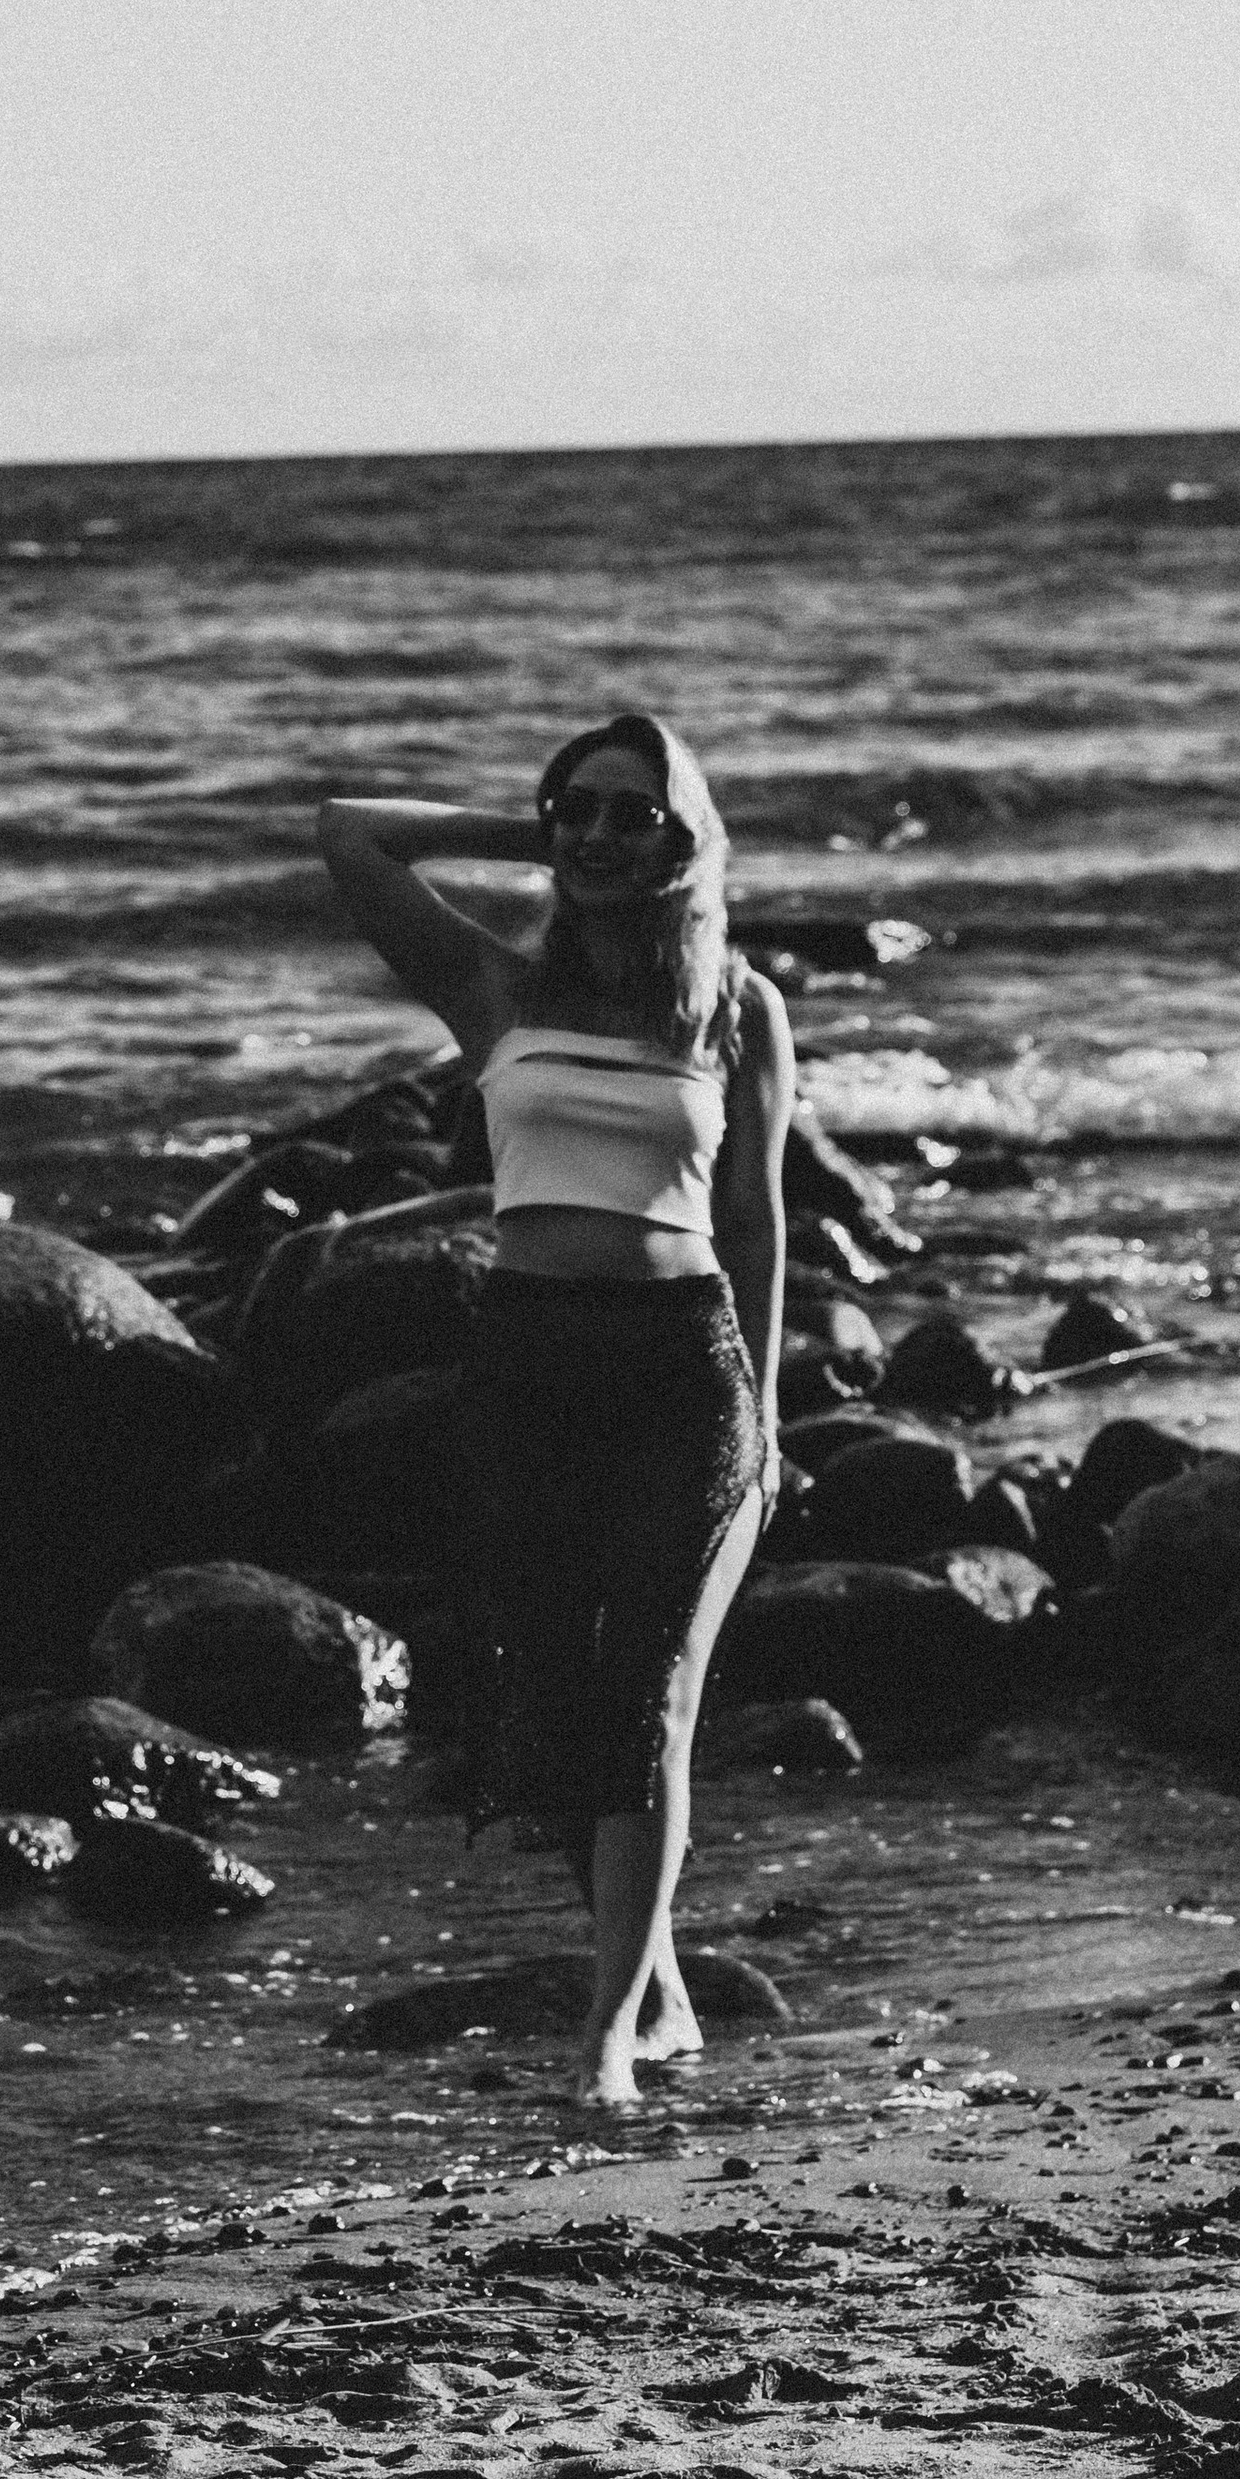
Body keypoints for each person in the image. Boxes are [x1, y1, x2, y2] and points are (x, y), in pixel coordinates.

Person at [317, 713, 792, 2110]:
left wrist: (769, 1419)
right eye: (572, 808)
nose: (594, 834)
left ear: (684, 839)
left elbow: (757, 1223)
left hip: (683, 1368)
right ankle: (661, 1980)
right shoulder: (496, 986)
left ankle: (605, 2038)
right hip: (527, 1364)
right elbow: (352, 835)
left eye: (629, 813)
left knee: (650, 1691)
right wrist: (528, 830)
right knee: (552, 1701)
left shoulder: (736, 1008)